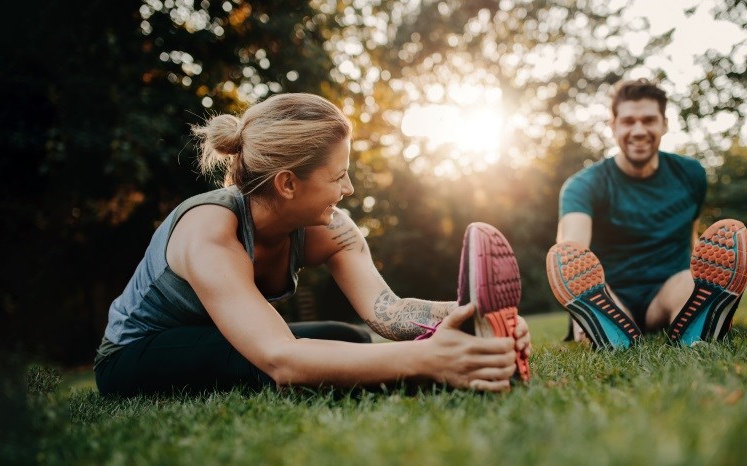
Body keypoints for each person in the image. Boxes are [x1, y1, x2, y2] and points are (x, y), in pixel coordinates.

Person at [94, 93, 531, 397]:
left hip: (217, 339)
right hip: (137, 353)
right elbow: (282, 358)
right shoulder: (210, 230)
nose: (350, 187)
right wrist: (429, 361)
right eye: (337, 175)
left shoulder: (329, 228)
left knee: (351, 340)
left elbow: (389, 313)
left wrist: (473, 318)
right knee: (271, 366)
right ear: (287, 183)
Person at [545, 79, 747, 349]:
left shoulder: (691, 174)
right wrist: (575, 306)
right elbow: (572, 250)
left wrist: (700, 275)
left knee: (689, 286)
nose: (639, 130)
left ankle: (700, 319)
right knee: (599, 296)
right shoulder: (584, 185)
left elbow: (690, 234)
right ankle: (595, 320)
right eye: (629, 121)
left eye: (649, 120)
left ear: (664, 124)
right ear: (613, 126)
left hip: (667, 290)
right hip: (611, 293)